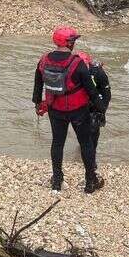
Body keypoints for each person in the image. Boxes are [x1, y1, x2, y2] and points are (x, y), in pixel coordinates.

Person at [33, 27, 107, 194]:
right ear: (70, 43)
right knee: (86, 143)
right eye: (73, 40)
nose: (74, 43)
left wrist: (37, 103)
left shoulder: (43, 60)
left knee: (57, 143)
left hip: (55, 109)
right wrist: (101, 109)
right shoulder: (77, 63)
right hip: (78, 111)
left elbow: (38, 84)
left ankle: (57, 181)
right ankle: (90, 182)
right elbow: (91, 91)